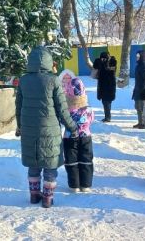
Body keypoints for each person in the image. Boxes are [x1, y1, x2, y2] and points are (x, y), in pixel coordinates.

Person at [16, 46, 78, 208]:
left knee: (34, 162)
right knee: (50, 164)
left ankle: (34, 195)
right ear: (49, 61)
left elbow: (19, 106)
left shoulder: (23, 80)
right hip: (49, 130)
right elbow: (62, 109)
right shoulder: (53, 80)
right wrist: (72, 127)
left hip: (29, 129)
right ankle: (47, 198)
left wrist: (20, 126)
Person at [61, 77, 94, 192]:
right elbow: (91, 120)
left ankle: (74, 185)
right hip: (86, 136)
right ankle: (85, 185)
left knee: (71, 161)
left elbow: (63, 120)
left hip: (69, 137)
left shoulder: (66, 109)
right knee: (86, 160)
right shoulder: (88, 109)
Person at [93, 52, 117, 122]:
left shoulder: (112, 62)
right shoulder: (101, 63)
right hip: (103, 87)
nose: (102, 60)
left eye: (104, 58)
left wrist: (104, 63)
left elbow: (109, 70)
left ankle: (108, 117)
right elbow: (95, 67)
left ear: (107, 58)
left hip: (109, 87)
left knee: (107, 102)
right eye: (101, 58)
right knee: (105, 102)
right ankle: (107, 117)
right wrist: (98, 61)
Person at [132, 50, 145, 129]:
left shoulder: (144, 66)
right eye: (136, 56)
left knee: (142, 108)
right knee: (138, 107)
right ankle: (140, 122)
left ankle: (143, 123)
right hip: (138, 90)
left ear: (142, 57)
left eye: (138, 56)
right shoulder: (139, 65)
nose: (136, 57)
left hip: (142, 91)